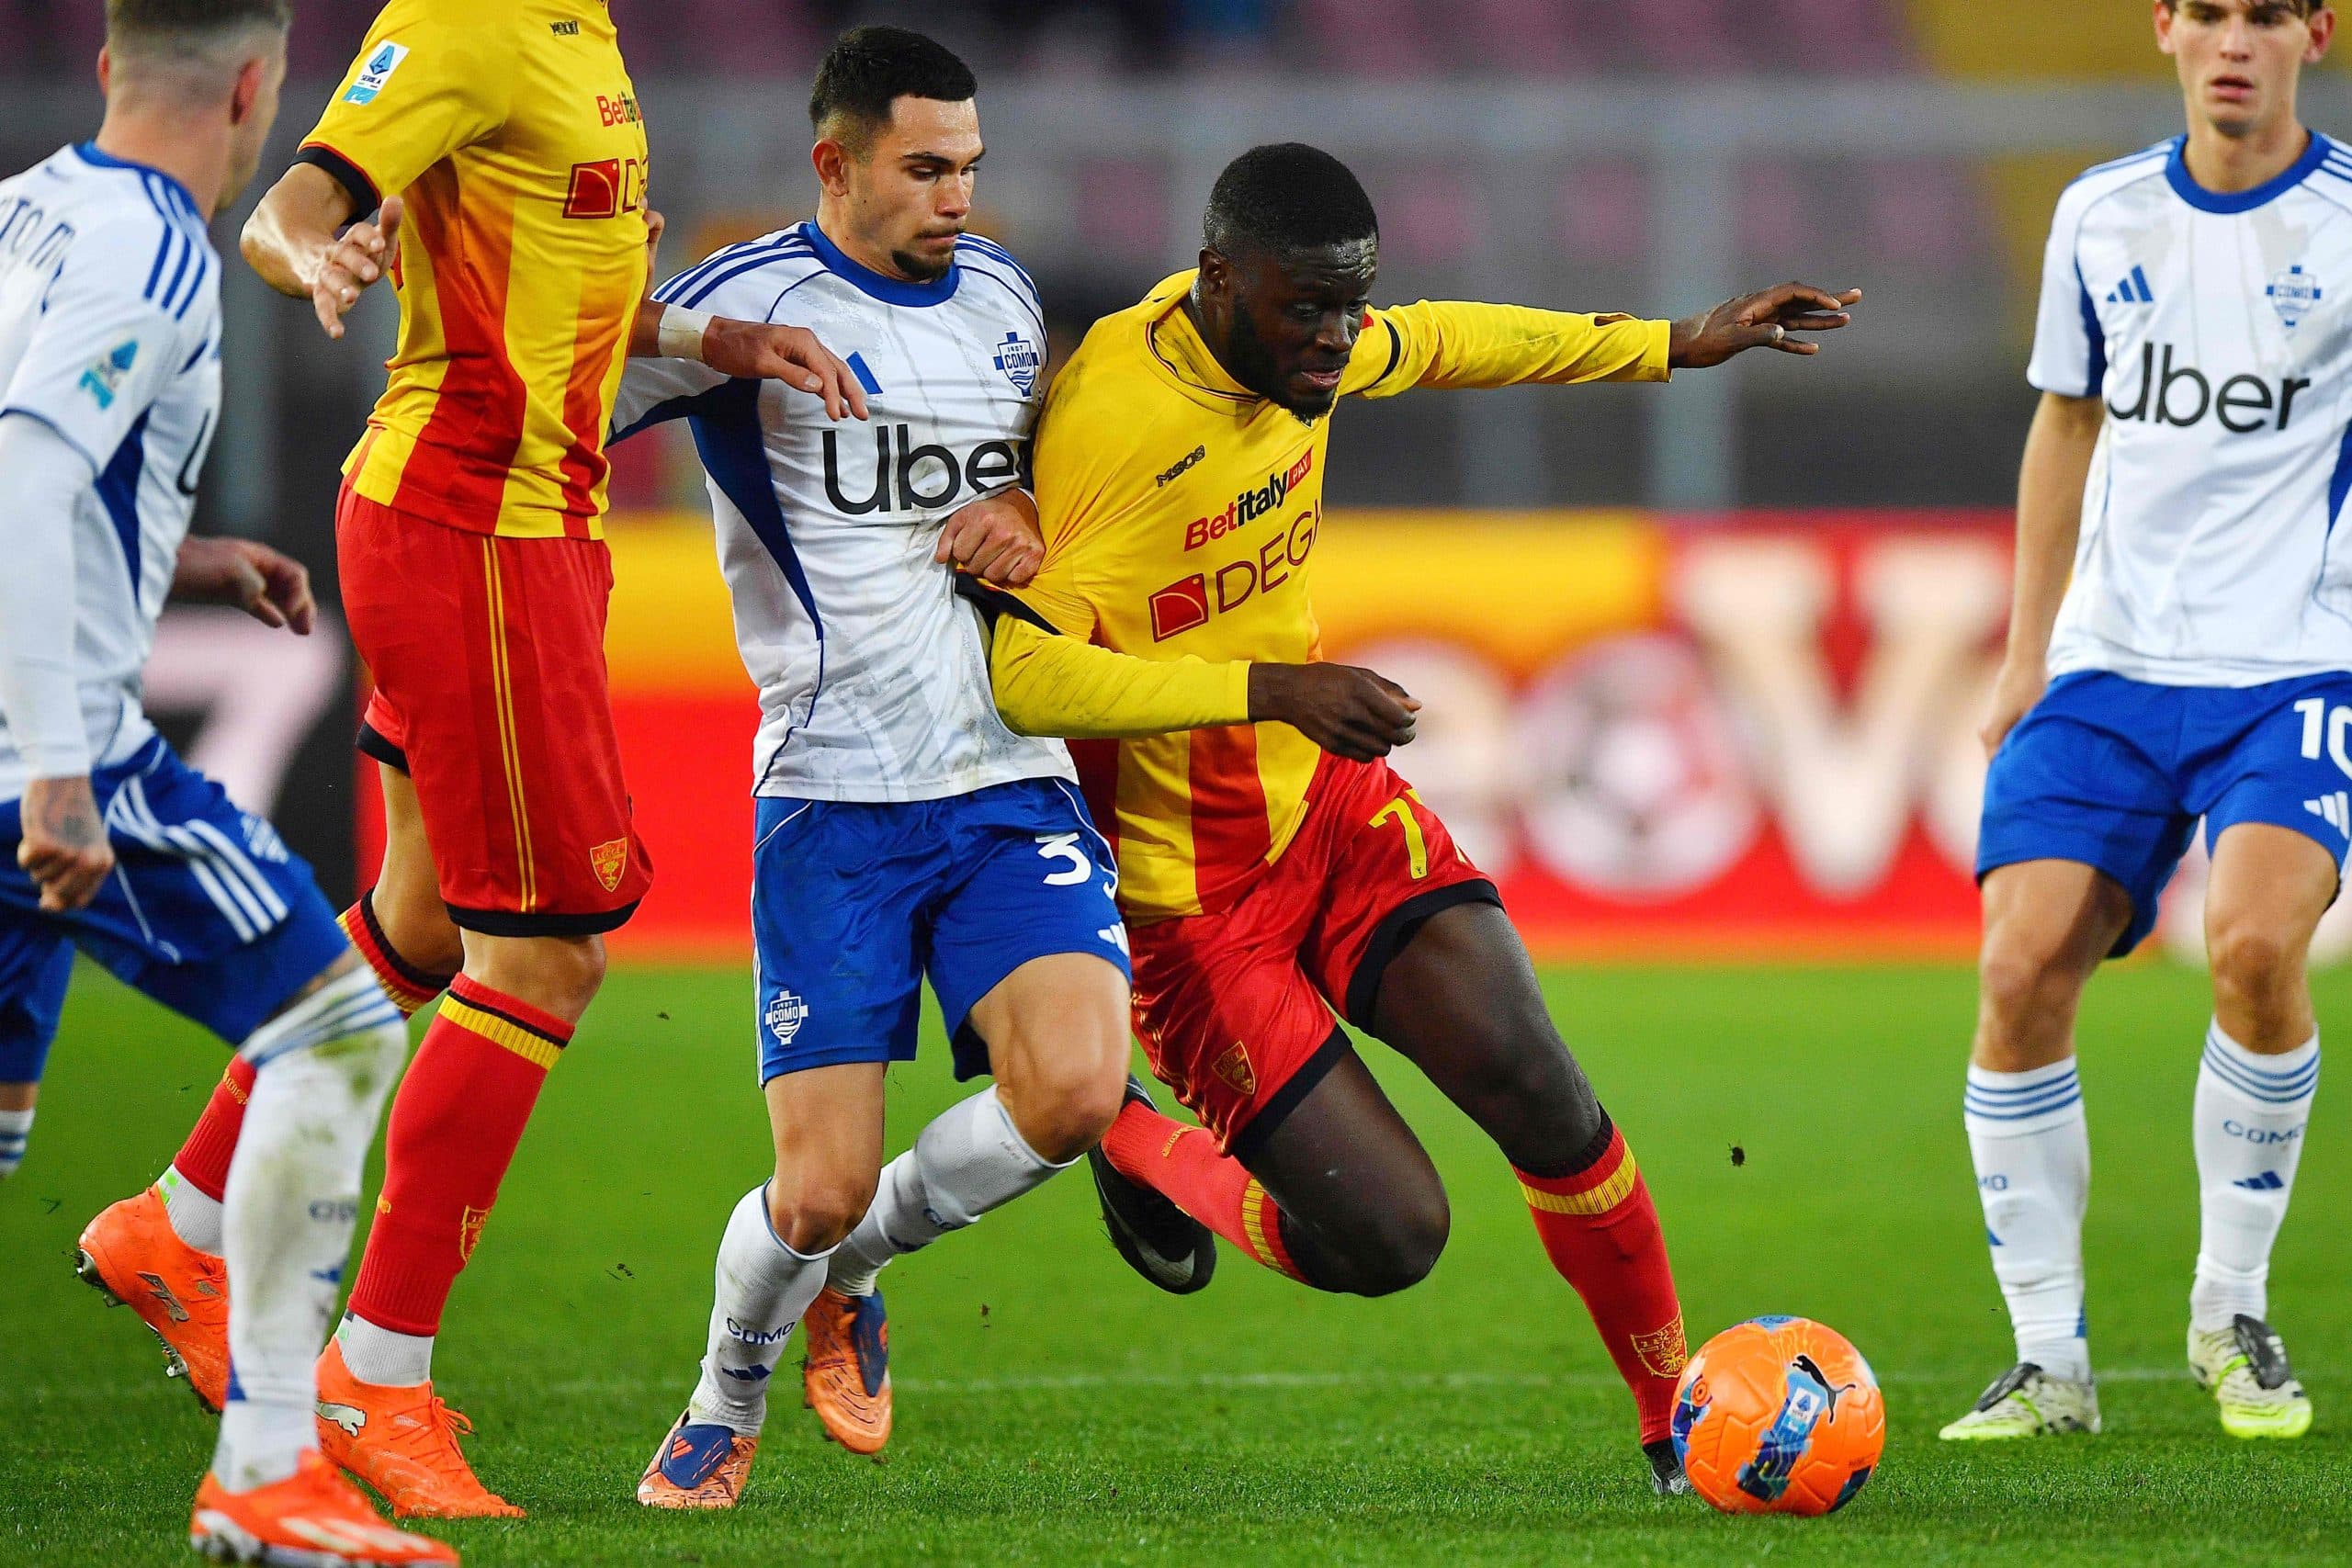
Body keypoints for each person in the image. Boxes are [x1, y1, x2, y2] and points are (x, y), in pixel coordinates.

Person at [75, 0, 862, 1519]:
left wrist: (712, 335)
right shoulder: (464, 20)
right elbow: (290, 212)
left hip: (504, 528)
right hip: (473, 535)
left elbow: (563, 296)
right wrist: (322, 255)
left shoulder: (584, 35)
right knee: (546, 961)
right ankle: (376, 1372)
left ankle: (177, 1226)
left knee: (427, 925)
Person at [977, 141, 1859, 1495]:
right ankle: (1125, 1133)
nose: (1339, 341)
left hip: (1326, 818)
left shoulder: (1299, 346)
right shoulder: (1114, 426)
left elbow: (1448, 339)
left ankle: (1670, 1424)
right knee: (1388, 1239)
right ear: (1220, 281)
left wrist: (1676, 342)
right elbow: (1025, 676)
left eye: (1353, 304)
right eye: (1309, 309)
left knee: (1545, 1094)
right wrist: (1271, 687)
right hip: (1188, 907)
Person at [605, 28, 1413, 1505]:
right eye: (923, 169)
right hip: (831, 792)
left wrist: (1034, 497)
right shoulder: (751, 301)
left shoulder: (1001, 297)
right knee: (818, 1186)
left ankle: (856, 1272)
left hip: (1005, 776)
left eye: (970, 166)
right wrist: (655, 320)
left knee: (1075, 1092)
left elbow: (1058, 462)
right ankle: (735, 1381)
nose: (956, 197)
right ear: (833, 164)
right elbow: (555, 389)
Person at [0, 2, 454, 1560]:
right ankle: (268, 1471)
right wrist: (60, 770)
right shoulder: (159, 249)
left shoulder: (28, 213)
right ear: (260, 87)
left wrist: (171, 558)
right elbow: (26, 473)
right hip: (39, 755)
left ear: (112, 62)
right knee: (333, 1028)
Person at [1942, 0, 2336, 1444]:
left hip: (2297, 661)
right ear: (2164, 28)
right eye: (2211, 13)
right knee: (2020, 964)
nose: (2237, 41)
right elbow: (2066, 424)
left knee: (2248, 949)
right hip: (2108, 664)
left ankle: (2230, 1313)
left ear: (2319, 34)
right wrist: (2022, 656)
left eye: (2268, 15)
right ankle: (2051, 1367)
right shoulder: (2098, 214)